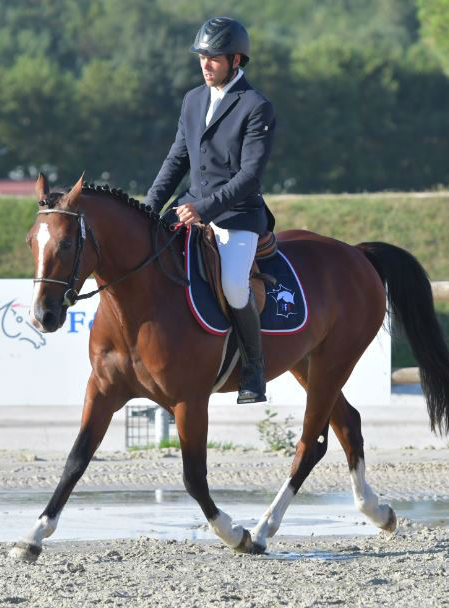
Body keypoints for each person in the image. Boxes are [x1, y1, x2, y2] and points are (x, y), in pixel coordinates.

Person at [144, 16, 276, 404]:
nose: (205, 64)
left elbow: (250, 176)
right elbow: (176, 160)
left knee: (234, 285)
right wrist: (149, 208)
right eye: (202, 57)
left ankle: (254, 367)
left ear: (236, 60)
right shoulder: (193, 100)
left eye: (214, 58)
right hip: (189, 208)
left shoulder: (256, 106)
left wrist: (204, 208)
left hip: (237, 215)